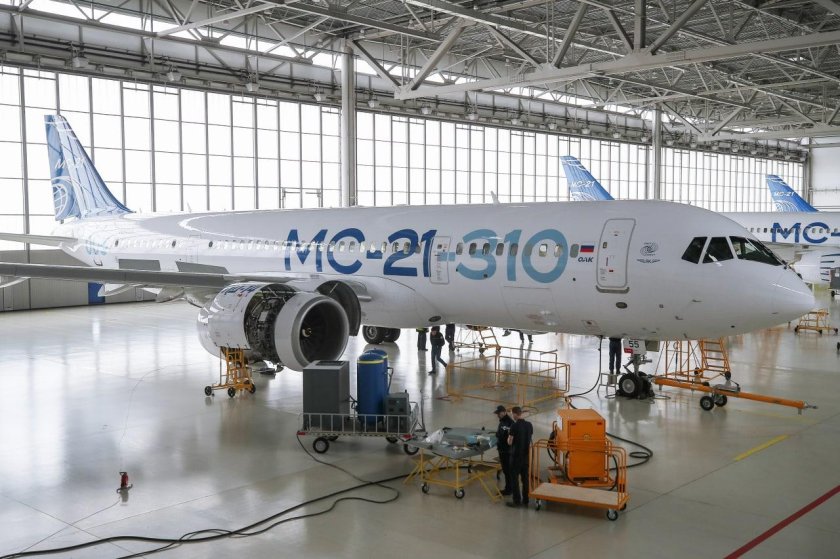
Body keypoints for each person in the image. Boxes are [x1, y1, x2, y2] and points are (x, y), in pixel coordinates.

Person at [506, 406, 533, 508]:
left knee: (514, 479)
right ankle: (526, 499)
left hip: (516, 457)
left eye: (512, 414)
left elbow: (510, 442)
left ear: (515, 414)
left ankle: (517, 501)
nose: (512, 416)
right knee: (525, 479)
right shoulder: (529, 425)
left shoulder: (514, 426)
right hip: (526, 456)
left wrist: (508, 435)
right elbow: (529, 438)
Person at [494, 405, 514, 496]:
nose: (498, 415)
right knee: (507, 471)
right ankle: (510, 488)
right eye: (497, 413)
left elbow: (505, 436)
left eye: (499, 413)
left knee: (507, 471)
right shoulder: (503, 422)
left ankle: (509, 490)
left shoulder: (509, 422)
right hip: (504, 450)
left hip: (506, 451)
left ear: (504, 412)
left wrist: (498, 435)